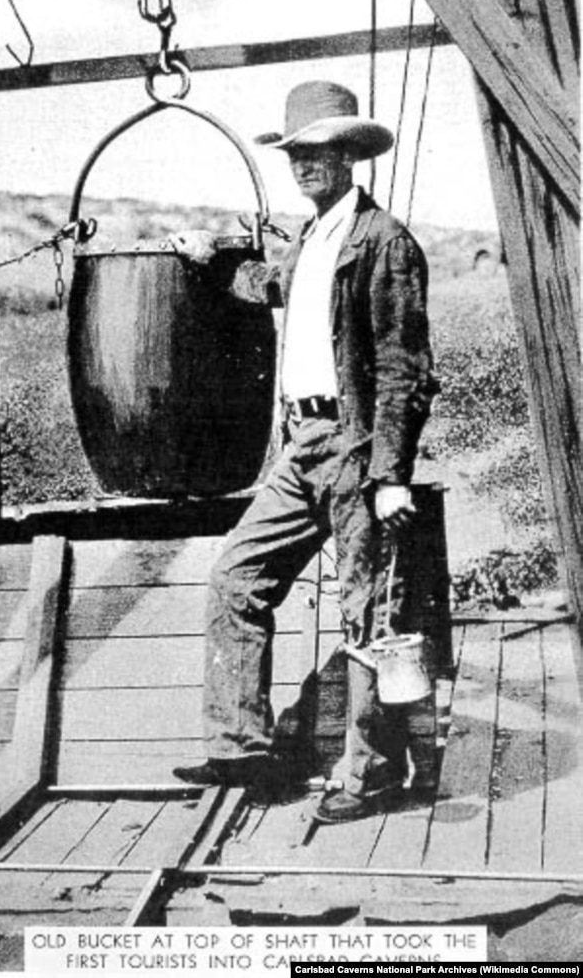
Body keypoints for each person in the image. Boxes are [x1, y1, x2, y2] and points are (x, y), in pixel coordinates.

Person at [170, 80, 439, 823]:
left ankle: (369, 773)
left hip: (354, 447)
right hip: (302, 446)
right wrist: (211, 264)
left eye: (321, 151)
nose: (306, 165)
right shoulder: (313, 235)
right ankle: (242, 747)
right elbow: (268, 285)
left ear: (352, 154)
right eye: (297, 154)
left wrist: (390, 475)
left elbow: (402, 368)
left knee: (366, 615)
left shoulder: (383, 243)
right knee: (236, 577)